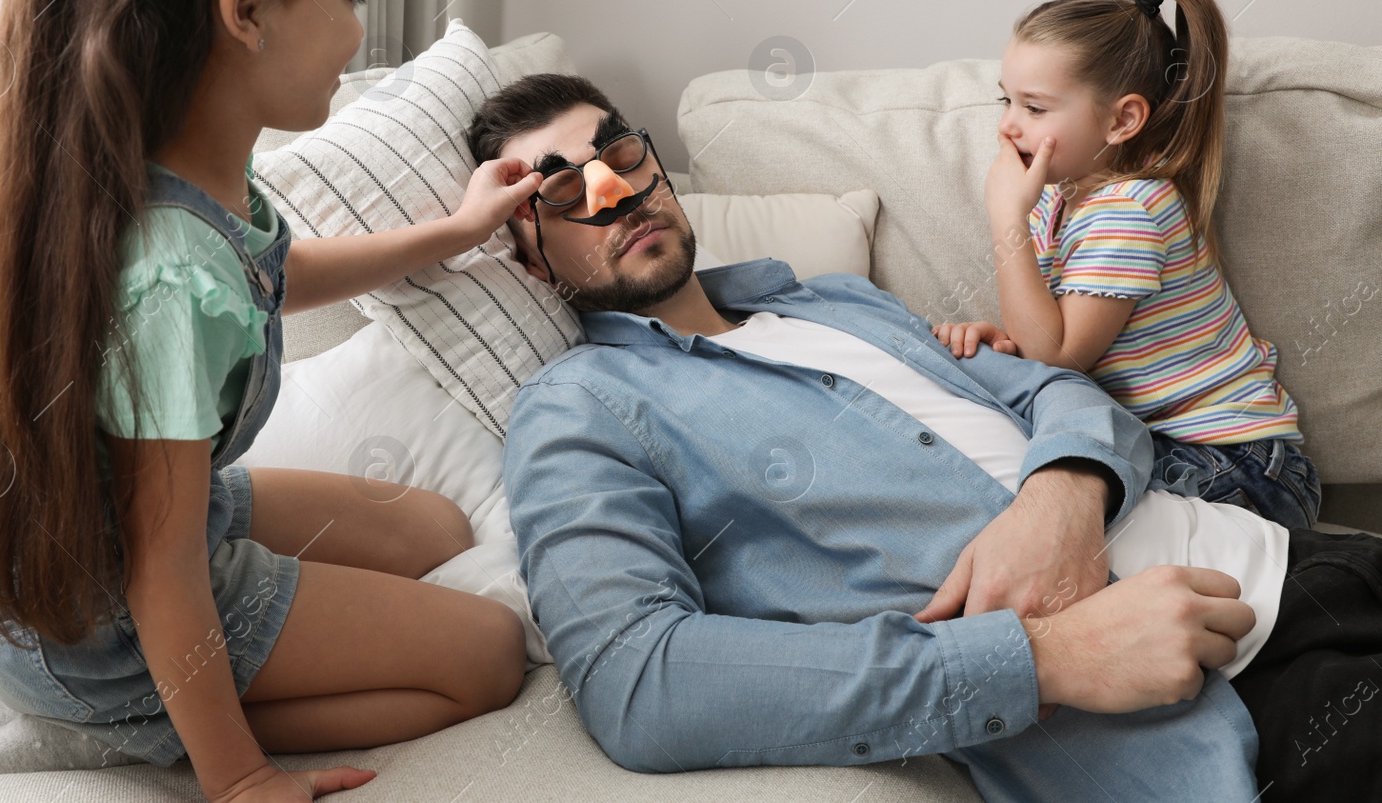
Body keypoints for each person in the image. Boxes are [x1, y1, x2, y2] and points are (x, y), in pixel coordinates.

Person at [471, 72, 1382, 802]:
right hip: (1213, 701)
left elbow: (1065, 394)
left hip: (1287, 556)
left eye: (619, 152)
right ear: (523, 248)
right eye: (559, 187)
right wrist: (1050, 656)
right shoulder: (579, 407)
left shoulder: (833, 297)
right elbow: (639, 681)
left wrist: (1063, 492)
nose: (612, 189)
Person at [0, 0, 538, 803]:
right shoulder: (162, 275)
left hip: (100, 551)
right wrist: (239, 775)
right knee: (488, 654)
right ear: (246, 5)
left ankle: (145, 701)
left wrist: (454, 231)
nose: (358, 31)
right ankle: (130, 721)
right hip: (97, 621)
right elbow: (164, 571)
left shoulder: (174, 172)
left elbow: (266, 277)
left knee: (435, 529)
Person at [930, 0, 1321, 531]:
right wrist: (1003, 345)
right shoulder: (1052, 203)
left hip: (1238, 466)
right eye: (1006, 99)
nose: (1006, 124)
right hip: (1171, 447)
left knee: (1035, 508)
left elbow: (1059, 359)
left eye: (1035, 108)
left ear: (1122, 120)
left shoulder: (1129, 209)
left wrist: (1004, 219)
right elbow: (1047, 341)